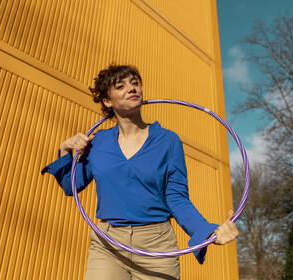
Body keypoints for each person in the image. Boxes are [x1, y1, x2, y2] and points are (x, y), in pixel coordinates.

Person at [41, 65, 238, 280]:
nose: (132, 88)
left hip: (157, 245)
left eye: (135, 83)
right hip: (108, 243)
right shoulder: (97, 143)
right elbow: (72, 186)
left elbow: (176, 198)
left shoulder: (168, 140)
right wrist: (65, 150)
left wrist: (208, 232)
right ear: (107, 101)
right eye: (121, 86)